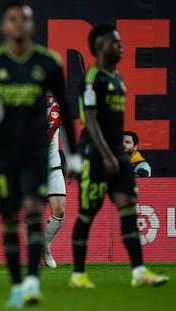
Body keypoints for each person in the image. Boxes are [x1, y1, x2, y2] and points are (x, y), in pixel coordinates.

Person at [0, 1, 80, 307]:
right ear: (3, 26)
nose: (19, 25)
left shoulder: (47, 62)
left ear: (31, 25)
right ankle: (16, 286)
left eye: (24, 19)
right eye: (13, 19)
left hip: (36, 152)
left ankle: (33, 283)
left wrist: (74, 155)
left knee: (34, 210)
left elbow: (65, 106)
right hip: (3, 154)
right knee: (10, 219)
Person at [70, 24, 169, 288]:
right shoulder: (93, 79)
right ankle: (78, 274)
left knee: (128, 208)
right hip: (96, 155)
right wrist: (106, 155)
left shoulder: (118, 79)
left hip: (117, 156)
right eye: (115, 42)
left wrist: (116, 155)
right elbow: (89, 121)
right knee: (87, 213)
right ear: (101, 47)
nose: (121, 45)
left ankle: (139, 271)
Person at [43, 91, 66, 268]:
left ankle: (45, 245)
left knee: (59, 211)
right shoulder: (27, 109)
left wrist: (71, 160)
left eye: (51, 96)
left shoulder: (58, 110)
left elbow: (66, 136)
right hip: (33, 168)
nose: (48, 99)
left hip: (54, 167)